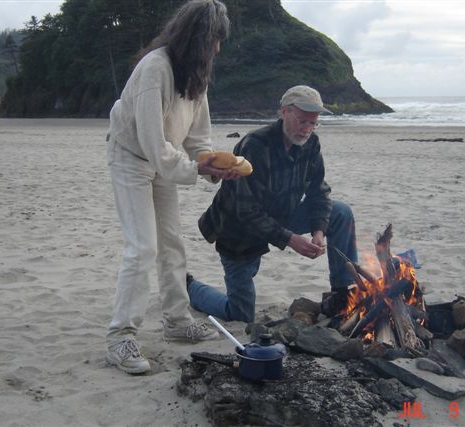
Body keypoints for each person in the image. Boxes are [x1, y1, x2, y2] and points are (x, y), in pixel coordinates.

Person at [105, 0, 235, 375]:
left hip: (164, 160)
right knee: (143, 247)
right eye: (214, 40)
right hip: (131, 156)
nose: (217, 48)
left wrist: (213, 166)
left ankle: (177, 322)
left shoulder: (196, 75)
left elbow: (198, 137)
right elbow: (151, 143)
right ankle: (119, 337)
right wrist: (194, 168)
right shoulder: (154, 69)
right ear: (197, 36)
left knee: (172, 243)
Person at [188, 85, 358, 323]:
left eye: (313, 123)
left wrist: (319, 231)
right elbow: (245, 211)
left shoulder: (311, 144)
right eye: (302, 121)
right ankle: (192, 288)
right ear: (284, 112)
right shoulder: (255, 145)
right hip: (237, 229)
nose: (307, 130)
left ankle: (343, 292)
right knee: (240, 315)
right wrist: (291, 239)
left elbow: (318, 191)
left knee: (340, 213)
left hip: (282, 214)